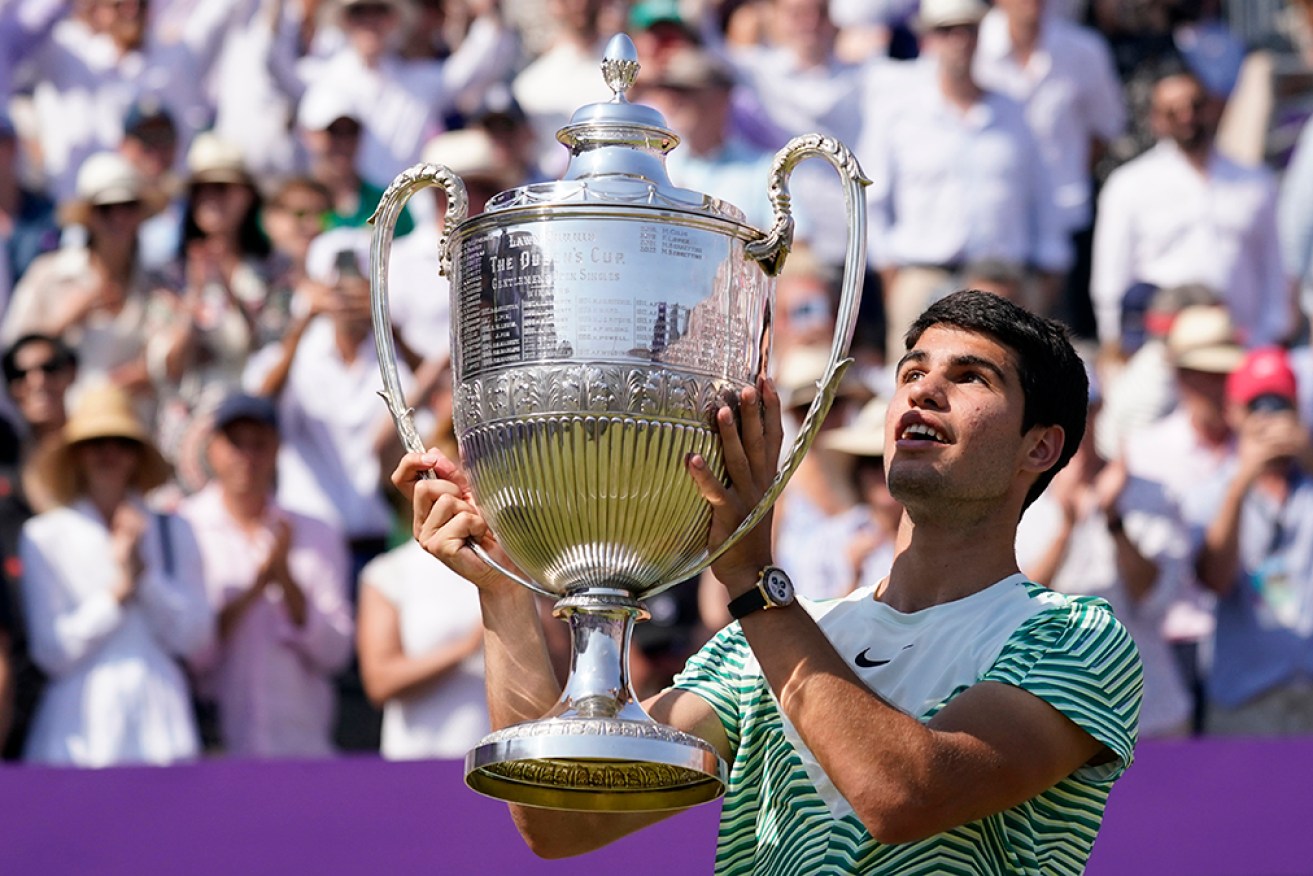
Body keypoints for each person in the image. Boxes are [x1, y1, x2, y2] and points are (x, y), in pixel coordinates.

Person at [396, 289, 1142, 872]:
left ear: (1039, 447)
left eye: (969, 377)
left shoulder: (1075, 637)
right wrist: (500, 593)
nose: (921, 391)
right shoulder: (757, 645)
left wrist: (753, 580)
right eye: (911, 371)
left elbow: (902, 795)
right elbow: (561, 818)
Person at [860, 0, 1070, 359]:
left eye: (967, 29)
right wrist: (895, 280)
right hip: (924, 273)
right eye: (946, 30)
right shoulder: (898, 114)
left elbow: (1043, 200)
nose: (958, 40)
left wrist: (1045, 280)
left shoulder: (1014, 112)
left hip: (1005, 278)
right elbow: (874, 204)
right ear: (928, 38)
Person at [19, 385, 214, 766]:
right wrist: (117, 592)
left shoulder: (174, 530)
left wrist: (145, 580)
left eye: (121, 443)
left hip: (162, 726)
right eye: (96, 443)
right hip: (79, 731)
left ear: (136, 455)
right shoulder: (44, 536)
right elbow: (50, 651)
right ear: (77, 454)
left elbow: (196, 636)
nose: (109, 454)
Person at [180, 393, 353, 758]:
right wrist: (258, 586)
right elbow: (191, 652)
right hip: (216, 748)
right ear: (212, 450)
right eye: (235, 444)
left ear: (276, 450)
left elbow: (336, 652)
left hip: (301, 745)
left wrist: (284, 578)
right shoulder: (185, 526)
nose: (247, 457)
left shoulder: (318, 532)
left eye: (258, 444)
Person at [1091, 68, 1292, 356]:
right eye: (1173, 111)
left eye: (1195, 106)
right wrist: (1115, 341)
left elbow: (1274, 265)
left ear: (1211, 107)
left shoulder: (1255, 182)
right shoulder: (1129, 185)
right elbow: (1111, 276)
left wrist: (1271, 334)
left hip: (1243, 343)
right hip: (1161, 348)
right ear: (1156, 119)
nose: (1187, 117)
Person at [1185, 347, 1313, 735]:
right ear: (1233, 413)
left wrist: (1308, 456)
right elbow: (1215, 580)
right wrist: (1242, 483)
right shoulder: (1214, 490)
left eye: (1279, 403)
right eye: (1256, 404)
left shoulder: (1308, 483)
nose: (1268, 416)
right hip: (1245, 698)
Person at [1, 151, 173, 417]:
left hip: (135, 430)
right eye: (106, 209)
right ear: (89, 217)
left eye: (128, 207)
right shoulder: (48, 274)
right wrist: (63, 322)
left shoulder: (158, 285)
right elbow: (13, 352)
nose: (119, 218)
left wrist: (148, 374)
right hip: (64, 428)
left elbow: (170, 364)